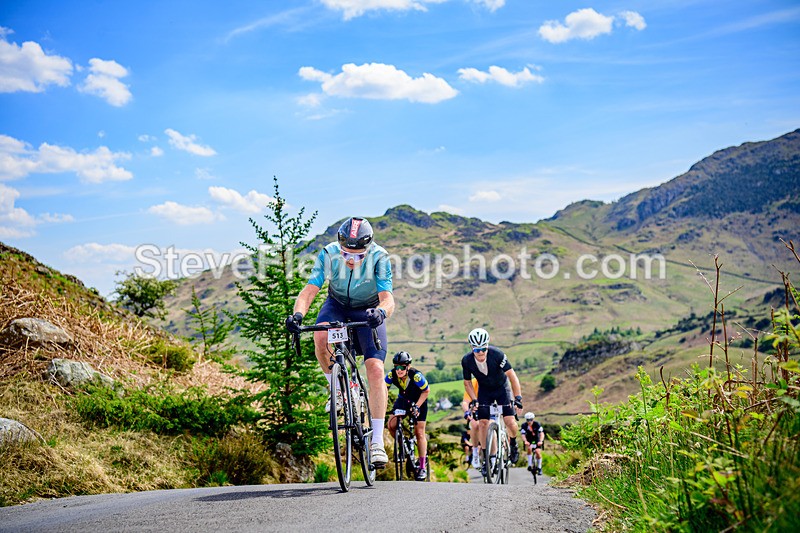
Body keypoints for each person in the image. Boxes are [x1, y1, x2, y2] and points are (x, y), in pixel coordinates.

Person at [286, 217, 394, 467]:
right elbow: (310, 289)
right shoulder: (328, 254)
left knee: (376, 369)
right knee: (320, 335)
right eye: (346, 253)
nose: (350, 260)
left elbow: (387, 298)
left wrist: (381, 312)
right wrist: (297, 314)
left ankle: (377, 442)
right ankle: (336, 388)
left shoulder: (380, 257)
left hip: (367, 309)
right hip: (336, 305)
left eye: (358, 256)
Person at [461, 327, 523, 474]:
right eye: (477, 350)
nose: (481, 352)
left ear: (487, 345)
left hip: (502, 389)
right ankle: (488, 458)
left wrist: (518, 397)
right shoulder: (467, 361)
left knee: (510, 421)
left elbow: (512, 376)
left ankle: (513, 443)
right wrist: (474, 400)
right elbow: (467, 383)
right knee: (483, 423)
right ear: (472, 348)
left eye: (483, 348)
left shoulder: (497, 355)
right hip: (485, 391)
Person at [385, 351, 430, 481]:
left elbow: (426, 391)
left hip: (419, 400)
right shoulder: (391, 374)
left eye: (402, 367)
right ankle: (403, 444)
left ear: (408, 366)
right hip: (403, 400)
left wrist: (417, 406)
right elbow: (383, 390)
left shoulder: (416, 376)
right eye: (396, 367)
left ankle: (422, 466)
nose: (399, 370)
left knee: (419, 432)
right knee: (391, 425)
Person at [460, 377, 481, 469]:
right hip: (475, 413)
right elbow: (465, 402)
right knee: (475, 426)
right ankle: (470, 456)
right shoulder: (473, 383)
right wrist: (466, 412)